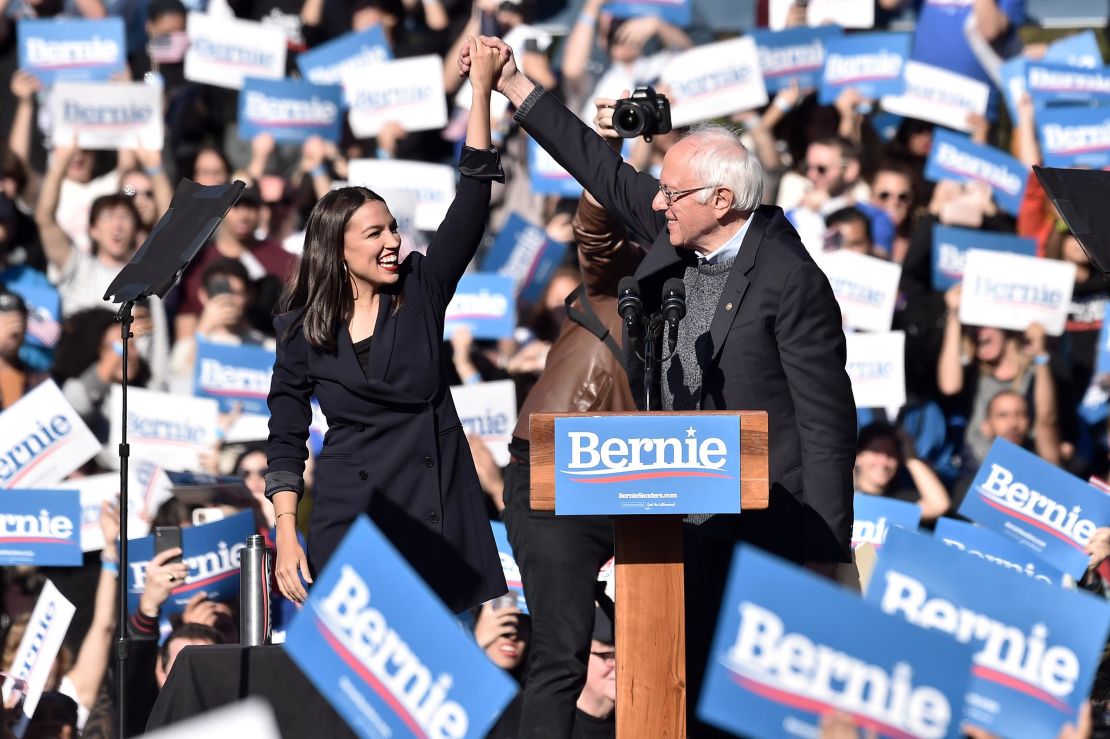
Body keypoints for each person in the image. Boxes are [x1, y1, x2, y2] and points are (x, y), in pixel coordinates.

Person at [462, 35, 856, 735]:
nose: (659, 204)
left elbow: (828, 423)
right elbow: (602, 172)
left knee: (736, 698)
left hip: (765, 516)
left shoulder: (790, 279)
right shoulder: (684, 231)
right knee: (682, 686)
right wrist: (517, 89)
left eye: (673, 193)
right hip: (681, 505)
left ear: (723, 199)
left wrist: (825, 551)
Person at [266, 37, 507, 614]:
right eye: (374, 234)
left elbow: (472, 201)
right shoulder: (300, 326)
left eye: (393, 228)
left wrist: (479, 93)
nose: (393, 241)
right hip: (350, 514)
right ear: (337, 250)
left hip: (434, 507)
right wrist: (285, 531)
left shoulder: (422, 288)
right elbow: (286, 431)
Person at [500, 176, 639, 733]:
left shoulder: (726, 310)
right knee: (564, 651)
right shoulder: (626, 283)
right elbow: (596, 232)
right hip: (557, 475)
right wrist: (607, 151)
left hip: (645, 487)